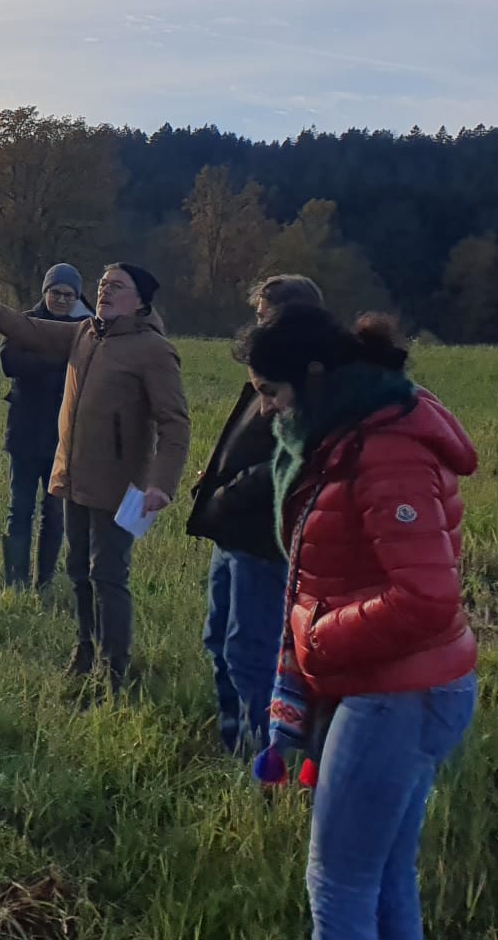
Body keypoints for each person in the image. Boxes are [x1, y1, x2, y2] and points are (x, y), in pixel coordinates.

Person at [242, 307, 478, 940]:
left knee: (338, 884)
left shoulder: (382, 450)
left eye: (270, 392)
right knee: (385, 875)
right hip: (396, 685)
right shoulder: (344, 435)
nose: (263, 409)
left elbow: (427, 596)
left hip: (394, 693)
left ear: (315, 376)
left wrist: (317, 636)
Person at [0, 260, 189, 691]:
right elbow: (25, 328)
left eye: (117, 286)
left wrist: (161, 482)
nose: (105, 291)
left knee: (109, 575)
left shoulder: (153, 350)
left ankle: (115, 673)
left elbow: (175, 423)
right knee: (78, 571)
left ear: (141, 300)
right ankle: (84, 654)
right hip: (74, 478)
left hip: (121, 486)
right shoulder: (86, 334)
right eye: (103, 283)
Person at [188, 274, 324, 752]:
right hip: (232, 535)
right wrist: (212, 482)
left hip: (263, 541)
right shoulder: (268, 373)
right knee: (218, 641)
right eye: (258, 316)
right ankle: (233, 740)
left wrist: (230, 493)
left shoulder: (308, 386)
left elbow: (292, 462)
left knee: (252, 653)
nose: (258, 326)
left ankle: (265, 755)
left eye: (266, 317)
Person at [0, 264, 90, 590]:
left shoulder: (86, 329)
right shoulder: (24, 322)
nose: (62, 299)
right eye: (56, 293)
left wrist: (41, 366)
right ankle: (16, 582)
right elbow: (10, 362)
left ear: (77, 297)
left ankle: (45, 582)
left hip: (63, 441)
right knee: (19, 511)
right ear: (45, 292)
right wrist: (61, 365)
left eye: (69, 295)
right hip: (24, 435)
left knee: (54, 517)